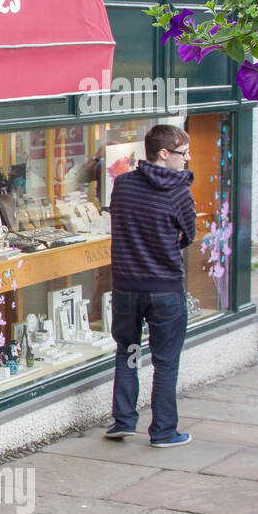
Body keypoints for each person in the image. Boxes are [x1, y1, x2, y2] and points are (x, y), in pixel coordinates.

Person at [105, 124, 197, 446]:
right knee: (166, 362)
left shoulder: (124, 184)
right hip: (164, 289)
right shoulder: (178, 191)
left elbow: (120, 220)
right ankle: (163, 431)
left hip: (127, 287)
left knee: (128, 351)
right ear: (164, 153)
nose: (187, 159)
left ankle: (124, 419)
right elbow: (189, 233)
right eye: (183, 153)